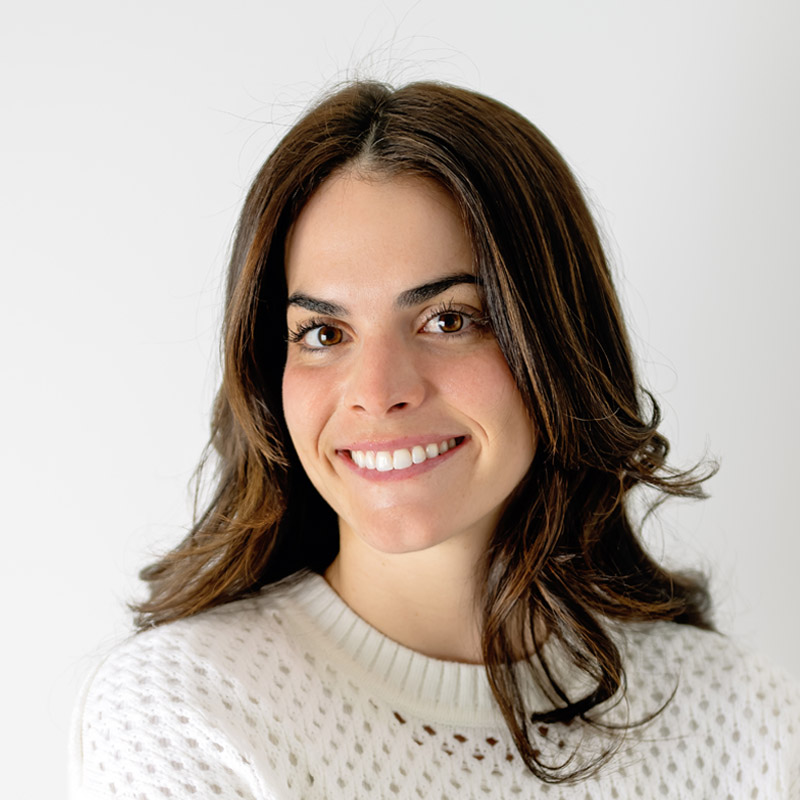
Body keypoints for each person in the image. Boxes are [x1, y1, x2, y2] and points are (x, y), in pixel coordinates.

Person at [69, 81, 800, 799]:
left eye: (449, 320)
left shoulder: (742, 721)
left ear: (557, 342)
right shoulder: (185, 710)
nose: (378, 390)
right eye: (323, 333)